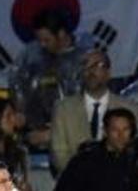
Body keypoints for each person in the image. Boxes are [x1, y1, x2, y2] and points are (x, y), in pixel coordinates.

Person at [6, 8, 92, 151]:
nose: (43, 45)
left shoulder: (85, 60)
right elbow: (18, 87)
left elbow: (89, 107)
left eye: (47, 40)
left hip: (74, 140)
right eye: (39, 40)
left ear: (61, 34)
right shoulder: (32, 57)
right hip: (35, 135)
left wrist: (55, 133)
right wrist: (21, 114)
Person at [49, 48, 138, 174]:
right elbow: (59, 154)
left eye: (97, 65)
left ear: (109, 72)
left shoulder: (129, 107)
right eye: (86, 65)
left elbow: (134, 148)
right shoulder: (63, 109)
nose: (91, 71)